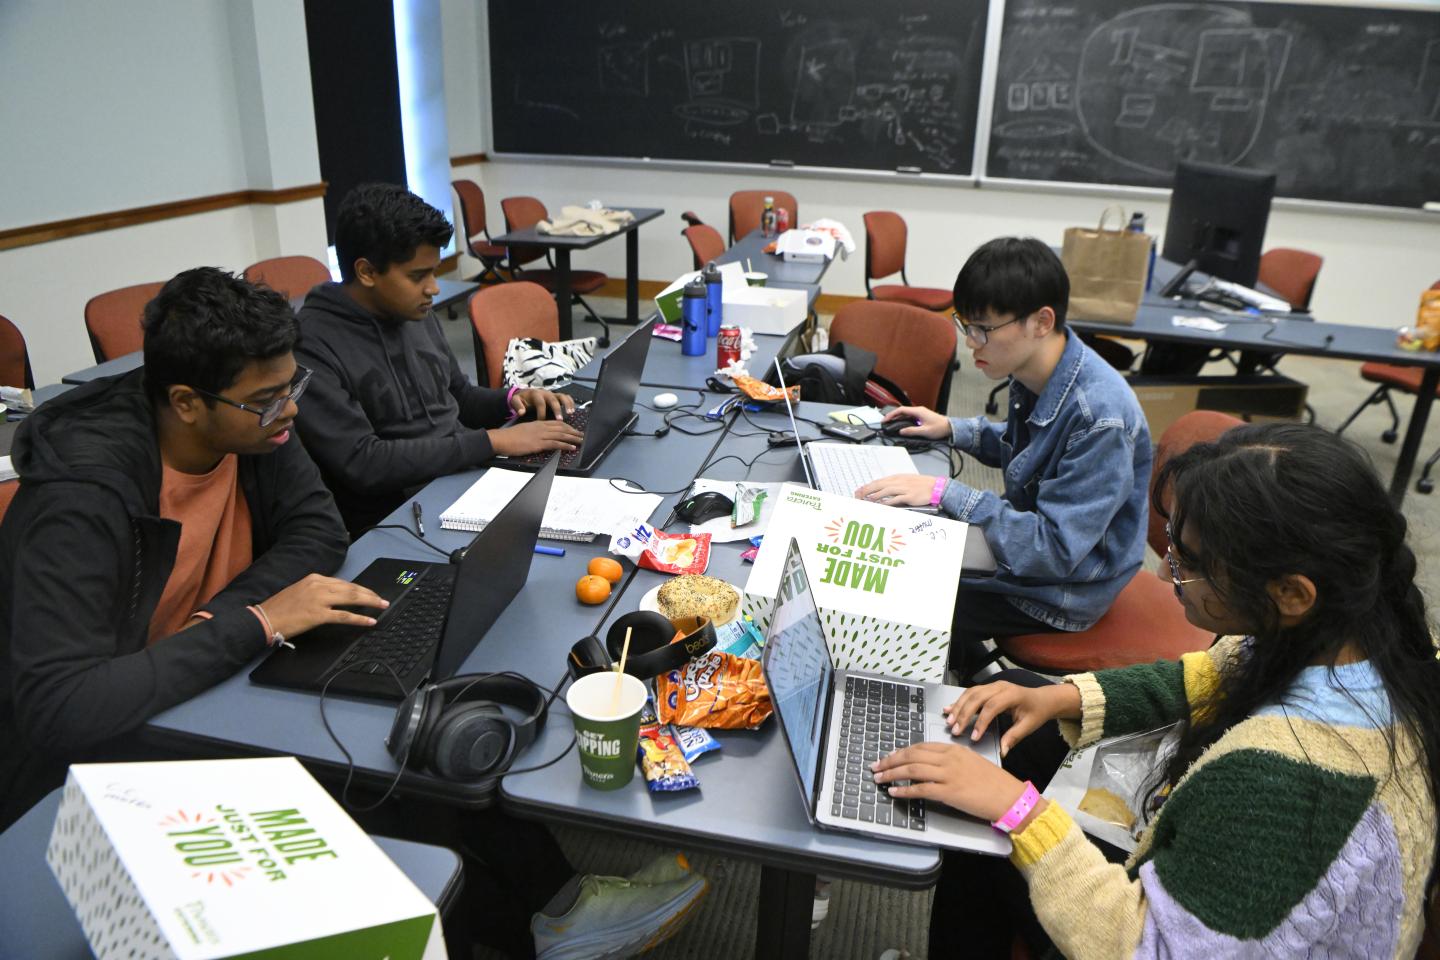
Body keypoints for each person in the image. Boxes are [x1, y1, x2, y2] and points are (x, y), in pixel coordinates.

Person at [874, 423, 1440, 958]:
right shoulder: (1360, 633)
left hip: (1155, 937)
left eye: (1190, 561)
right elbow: (1213, 675)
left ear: (1291, 592)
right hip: (1232, 895)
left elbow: (1146, 948)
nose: (1168, 572)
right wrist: (1060, 697)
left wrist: (1017, 811)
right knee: (1016, 705)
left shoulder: (1280, 783)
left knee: (989, 826)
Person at [0, 267, 375, 829]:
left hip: (201, 685)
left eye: (292, 386)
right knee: (360, 790)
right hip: (84, 768)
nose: (290, 410)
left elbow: (319, 531)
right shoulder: (80, 498)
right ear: (186, 403)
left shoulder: (255, 426)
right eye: (268, 399)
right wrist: (258, 623)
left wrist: (218, 619)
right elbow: (61, 705)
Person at [856, 237, 1151, 675]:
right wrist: (953, 428)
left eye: (984, 329)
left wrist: (946, 492)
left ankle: (956, 690)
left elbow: (1052, 550)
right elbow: (1029, 449)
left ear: (1040, 321)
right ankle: (965, 665)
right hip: (1029, 548)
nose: (971, 342)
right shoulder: (1035, 368)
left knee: (901, 591)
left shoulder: (1100, 419)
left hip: (1062, 588)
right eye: (966, 325)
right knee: (901, 554)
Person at [293, 183, 583, 535]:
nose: (433, 287)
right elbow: (363, 463)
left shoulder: (413, 309)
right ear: (367, 272)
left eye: (434, 271)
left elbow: (458, 397)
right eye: (418, 276)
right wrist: (491, 442)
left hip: (462, 478)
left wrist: (513, 401)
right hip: (399, 513)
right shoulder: (311, 344)